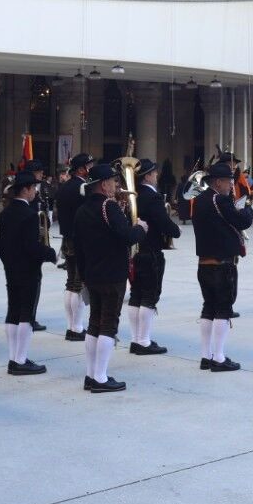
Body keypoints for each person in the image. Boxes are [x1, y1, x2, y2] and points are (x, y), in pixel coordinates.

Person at [73, 163, 147, 392]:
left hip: (92, 273)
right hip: (112, 273)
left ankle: (91, 374)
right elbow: (126, 236)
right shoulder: (108, 206)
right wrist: (141, 229)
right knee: (108, 324)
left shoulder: (83, 209)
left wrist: (83, 275)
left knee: (94, 323)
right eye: (114, 181)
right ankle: (101, 378)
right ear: (103, 185)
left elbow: (79, 246)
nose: (117, 185)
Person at [193, 162, 253, 372]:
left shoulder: (199, 200)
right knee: (223, 309)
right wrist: (247, 211)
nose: (230, 185)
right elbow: (241, 221)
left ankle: (205, 355)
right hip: (222, 264)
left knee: (208, 307)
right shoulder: (220, 200)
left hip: (204, 263)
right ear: (218, 182)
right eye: (228, 181)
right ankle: (218, 357)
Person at [0, 172, 57, 375]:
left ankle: (13, 358)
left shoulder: (5, 214)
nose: (35, 191)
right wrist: (50, 254)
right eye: (34, 188)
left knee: (13, 311)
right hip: (29, 270)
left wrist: (9, 263)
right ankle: (20, 360)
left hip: (11, 269)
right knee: (26, 314)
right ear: (26, 189)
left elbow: (2, 246)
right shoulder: (29, 215)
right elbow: (32, 247)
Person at [127, 158, 179, 355]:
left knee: (136, 295)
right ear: (147, 176)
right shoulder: (153, 197)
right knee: (150, 295)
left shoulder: (134, 196)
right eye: (154, 173)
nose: (157, 176)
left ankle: (135, 339)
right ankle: (144, 341)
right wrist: (176, 231)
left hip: (136, 251)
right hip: (151, 252)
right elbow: (164, 222)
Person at [57, 154, 94, 340]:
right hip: (80, 239)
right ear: (81, 169)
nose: (91, 168)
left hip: (67, 237)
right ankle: (76, 328)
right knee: (78, 284)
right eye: (89, 165)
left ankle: (72, 325)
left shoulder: (65, 186)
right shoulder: (82, 187)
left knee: (71, 282)